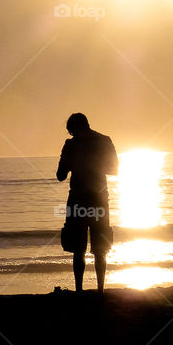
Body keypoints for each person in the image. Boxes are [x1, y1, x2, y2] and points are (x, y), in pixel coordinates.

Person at [57, 112, 119, 293]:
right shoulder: (104, 141)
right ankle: (99, 290)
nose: (72, 136)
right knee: (99, 248)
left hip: (78, 199)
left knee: (80, 248)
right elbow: (114, 169)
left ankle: (80, 290)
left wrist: (75, 161)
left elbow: (60, 175)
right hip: (98, 199)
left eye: (72, 132)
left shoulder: (71, 145)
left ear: (75, 129)